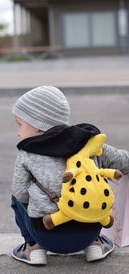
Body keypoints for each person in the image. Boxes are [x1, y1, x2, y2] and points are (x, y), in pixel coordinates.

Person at [11, 86, 129, 266]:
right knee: (94, 184)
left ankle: (33, 248)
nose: (18, 132)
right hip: (88, 231)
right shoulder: (90, 143)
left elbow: (20, 194)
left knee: (16, 198)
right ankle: (94, 245)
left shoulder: (26, 152)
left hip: (46, 234)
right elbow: (123, 162)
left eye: (20, 124)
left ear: (37, 125)